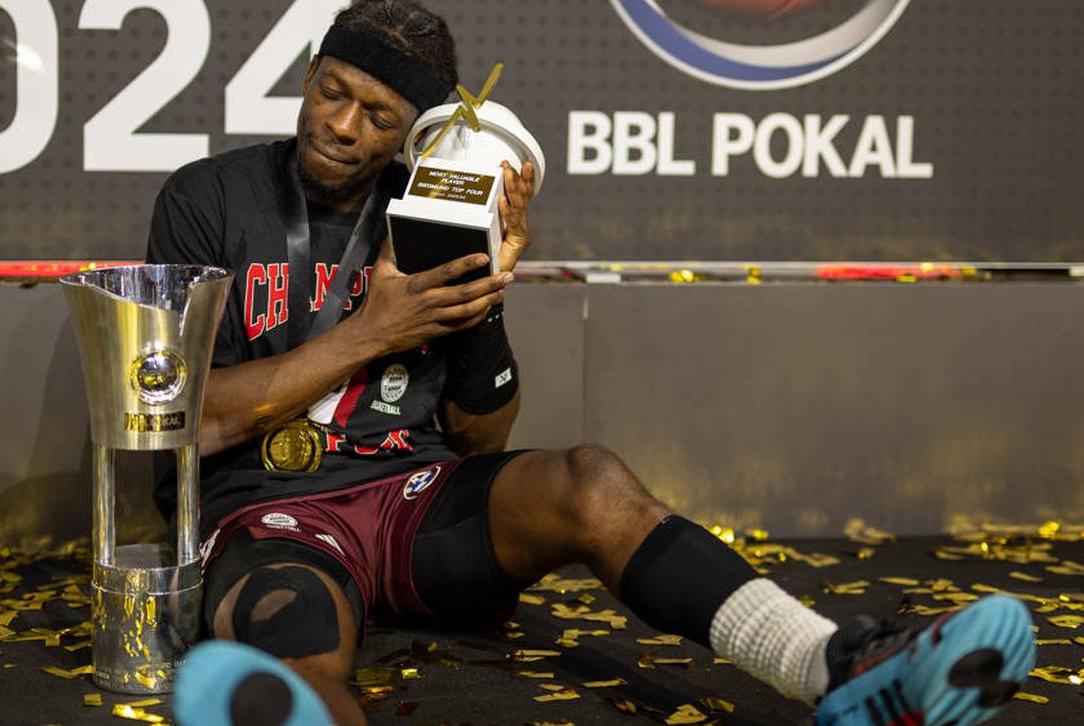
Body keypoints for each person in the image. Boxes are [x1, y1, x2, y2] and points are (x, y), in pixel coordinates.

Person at [147, 2, 1034, 724]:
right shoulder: (208, 199)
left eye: (379, 115)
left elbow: (479, 431)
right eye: (332, 92)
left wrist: (487, 292)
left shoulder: (432, 212)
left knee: (593, 479)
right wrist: (370, 332)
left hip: (412, 504)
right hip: (268, 513)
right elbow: (183, 418)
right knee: (296, 635)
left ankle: (837, 666)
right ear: (306, 77)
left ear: (414, 132)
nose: (343, 125)